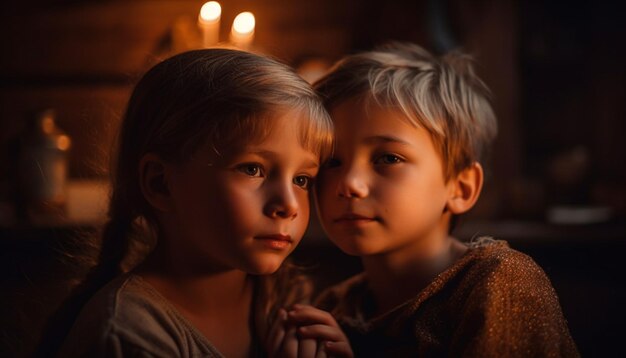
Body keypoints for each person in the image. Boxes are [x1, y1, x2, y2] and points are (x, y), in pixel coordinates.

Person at [57, 48, 350, 357]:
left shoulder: (289, 299)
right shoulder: (128, 336)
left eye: (302, 179)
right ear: (161, 184)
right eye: (253, 169)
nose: (288, 205)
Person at [293, 42, 579, 357]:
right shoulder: (332, 308)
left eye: (388, 159)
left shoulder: (498, 283)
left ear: (461, 188)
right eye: (331, 161)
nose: (348, 184)